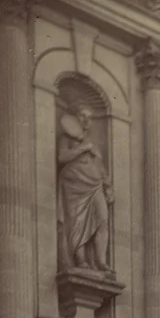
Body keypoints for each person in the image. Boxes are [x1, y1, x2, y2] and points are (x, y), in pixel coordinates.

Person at [57, 107, 112, 271]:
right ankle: (81, 260)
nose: (87, 120)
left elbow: (100, 166)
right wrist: (82, 148)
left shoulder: (91, 143)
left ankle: (101, 261)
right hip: (75, 183)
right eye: (83, 115)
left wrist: (108, 187)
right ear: (75, 117)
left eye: (90, 117)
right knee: (77, 220)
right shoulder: (67, 137)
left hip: (95, 184)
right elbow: (62, 157)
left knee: (103, 219)